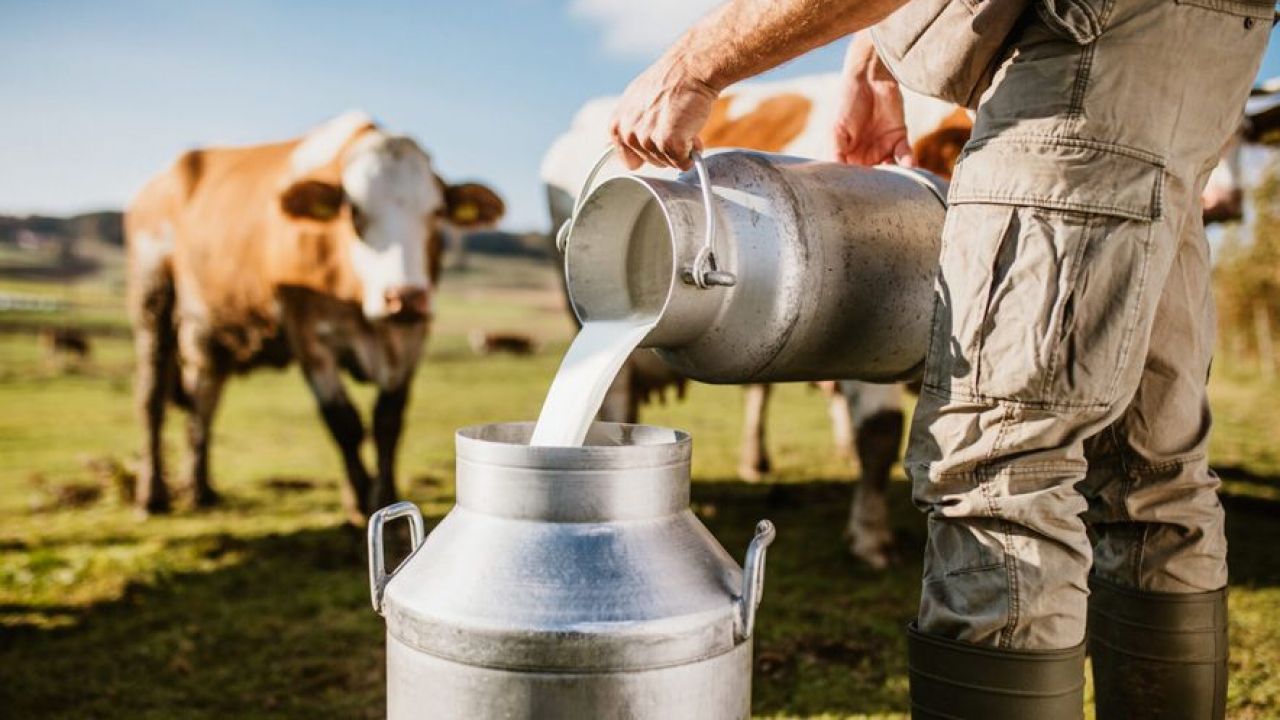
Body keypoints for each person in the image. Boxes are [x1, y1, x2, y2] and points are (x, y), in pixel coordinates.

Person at [607, 1, 1269, 718]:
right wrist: (874, 61)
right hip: (1198, 50)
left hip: (1077, 53)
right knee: (1150, 476)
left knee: (999, 471)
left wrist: (694, 65)